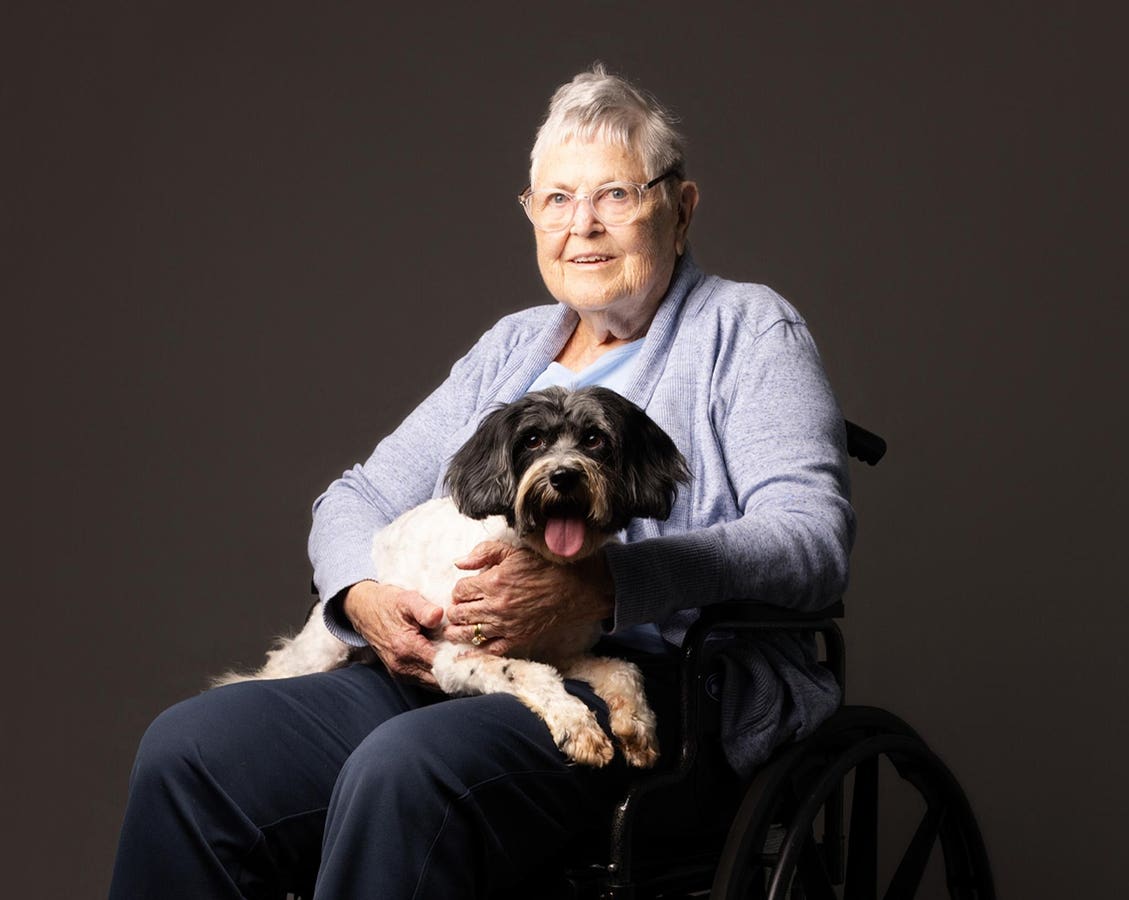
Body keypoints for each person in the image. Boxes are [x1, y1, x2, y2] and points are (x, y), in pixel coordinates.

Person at [109, 64, 854, 899]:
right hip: (450, 667)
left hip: (655, 691)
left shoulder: (747, 329)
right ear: (531, 216)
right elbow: (355, 497)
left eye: (614, 194)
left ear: (679, 209)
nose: (583, 228)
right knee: (193, 752)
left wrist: (606, 587)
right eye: (556, 201)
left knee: (404, 773)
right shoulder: (511, 349)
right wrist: (362, 596)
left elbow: (810, 539)